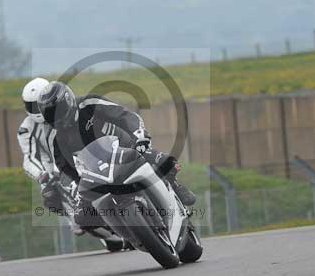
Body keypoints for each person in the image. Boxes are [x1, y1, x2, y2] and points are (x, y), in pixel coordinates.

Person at [37, 81, 196, 228]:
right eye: (50, 114)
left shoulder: (89, 103)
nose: (56, 117)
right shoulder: (54, 135)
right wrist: (79, 184)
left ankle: (174, 184)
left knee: (164, 162)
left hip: (126, 147)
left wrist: (139, 136)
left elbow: (124, 115)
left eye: (57, 111)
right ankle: (121, 227)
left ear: (68, 101)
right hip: (96, 170)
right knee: (82, 217)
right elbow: (64, 166)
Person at [17, 77, 78, 229]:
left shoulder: (66, 109)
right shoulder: (26, 128)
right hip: (54, 168)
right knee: (50, 197)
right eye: (31, 105)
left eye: (37, 104)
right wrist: (42, 175)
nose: (35, 109)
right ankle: (74, 217)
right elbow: (29, 157)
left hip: (78, 156)